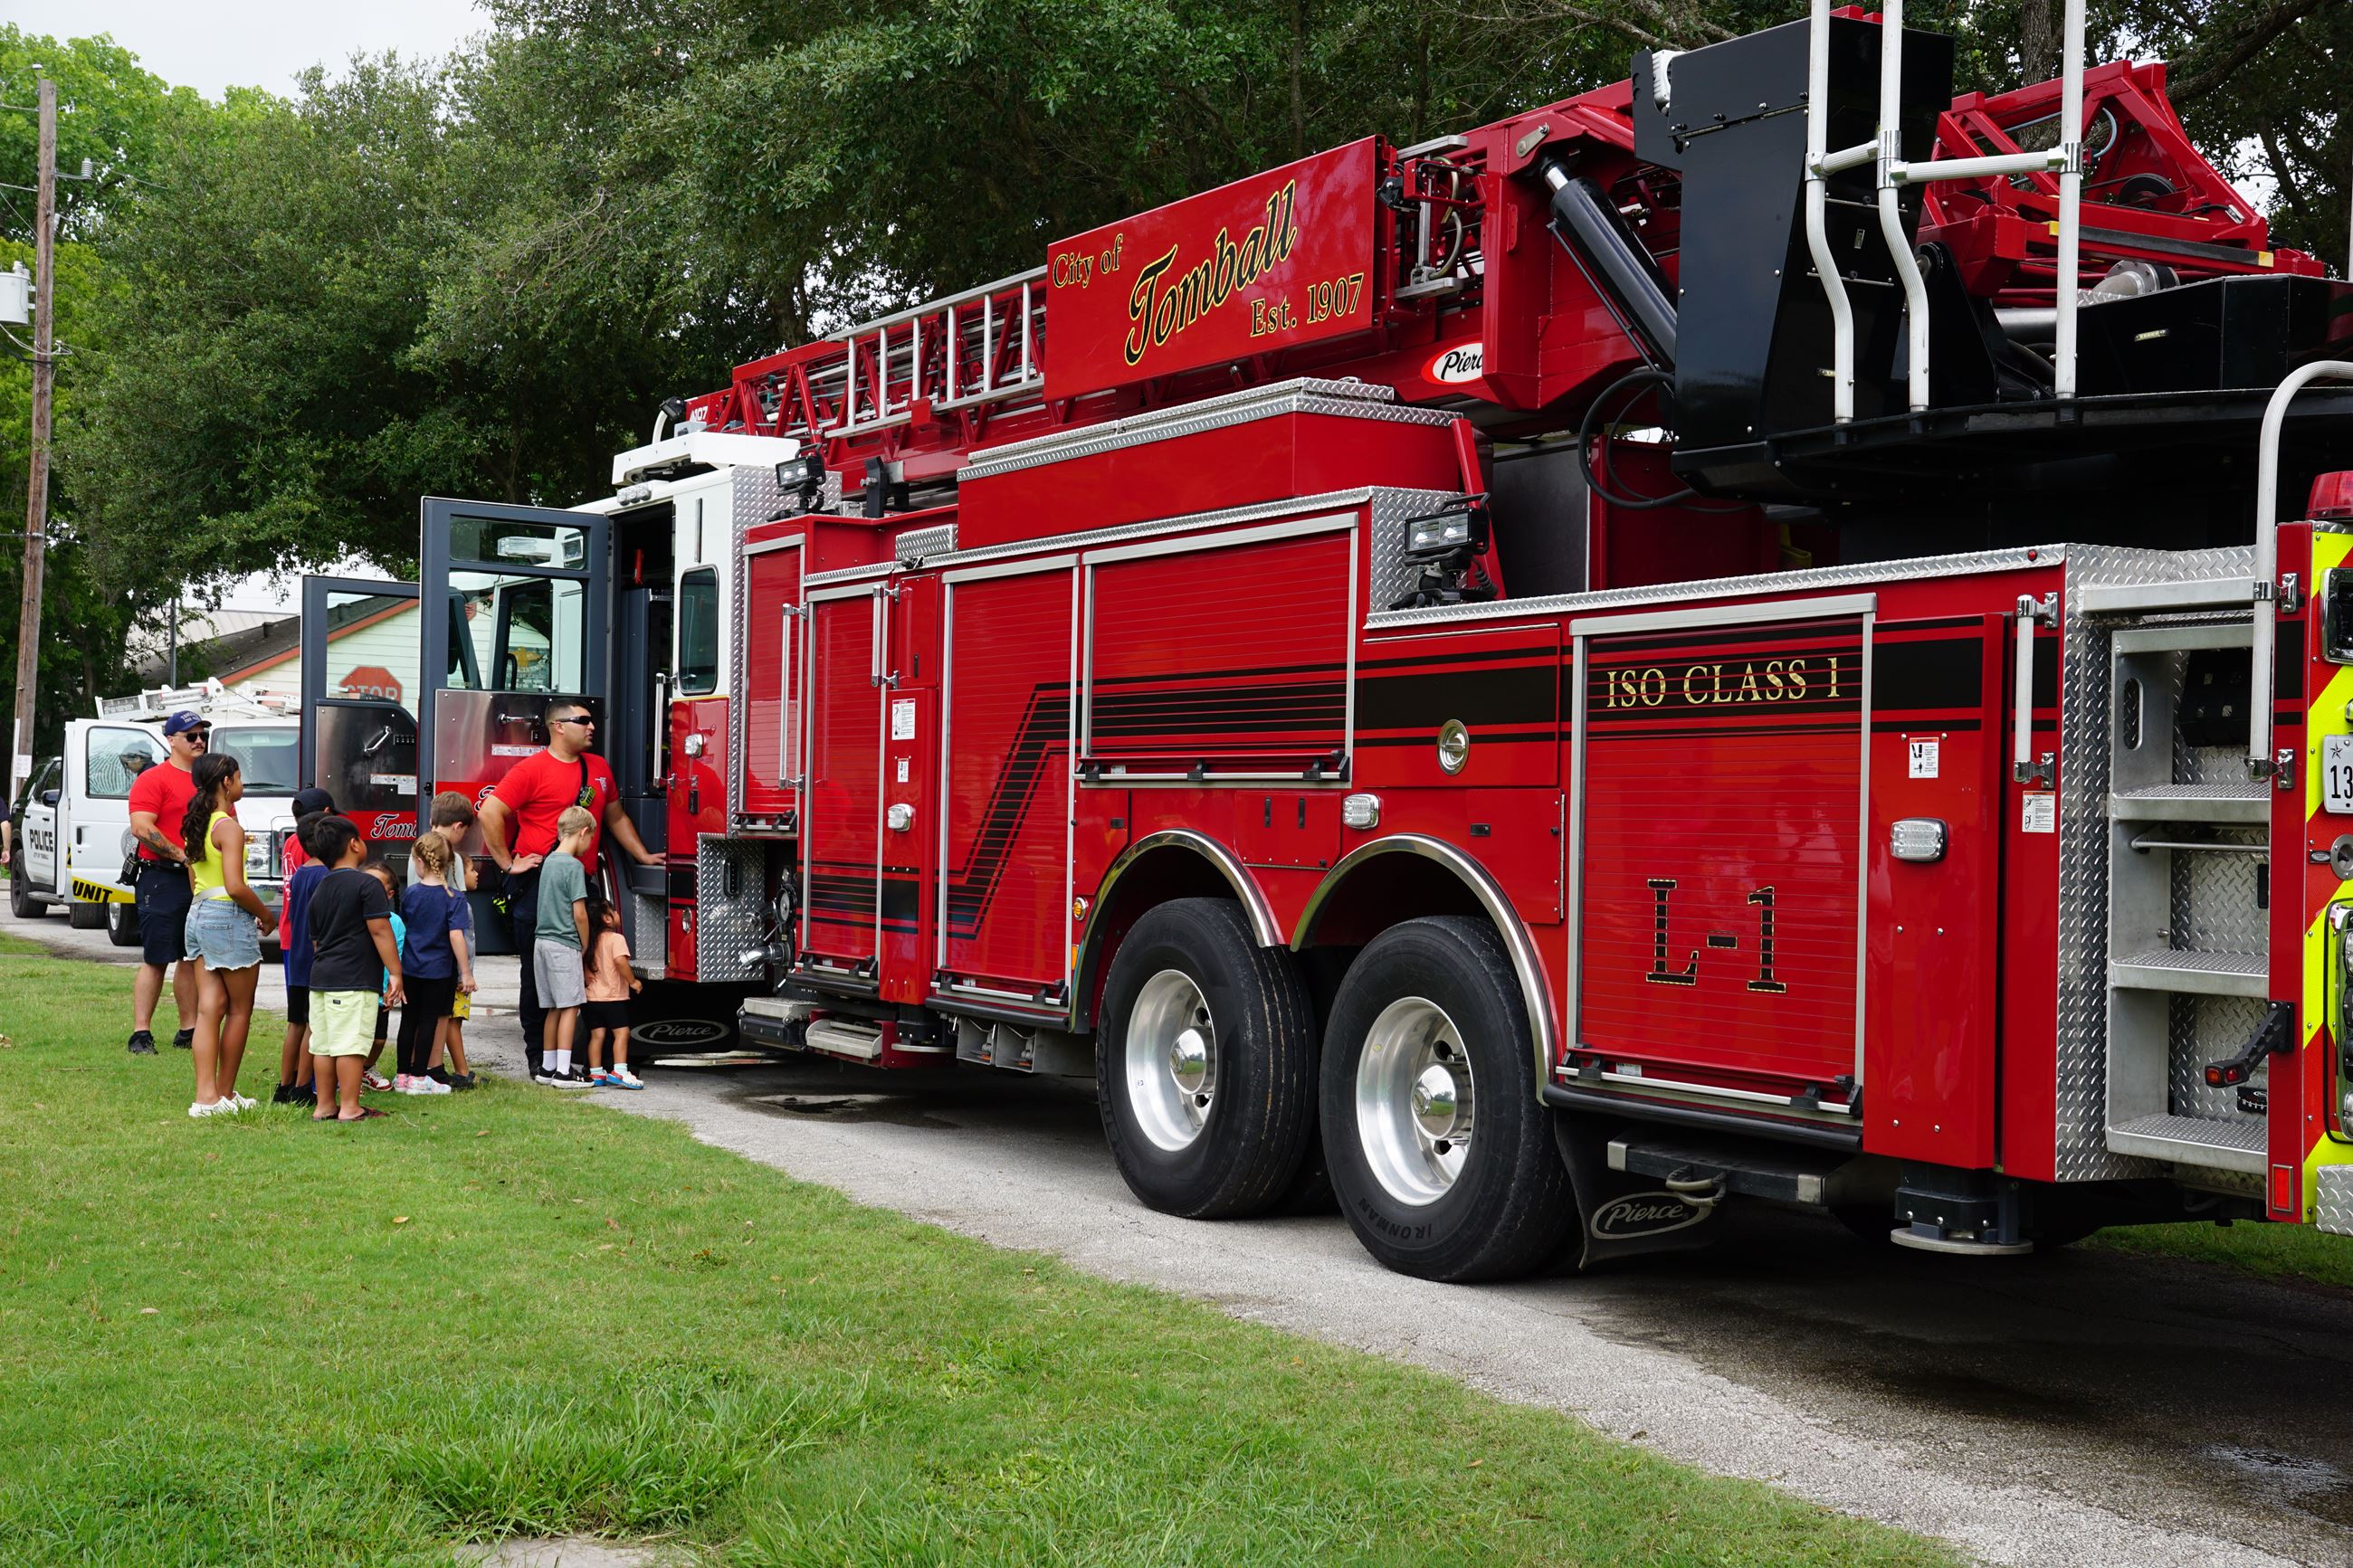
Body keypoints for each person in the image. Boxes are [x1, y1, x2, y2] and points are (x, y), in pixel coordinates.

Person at [478, 701, 658, 1079]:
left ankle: (575, 1057)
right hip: (537, 884)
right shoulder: (531, 769)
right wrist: (508, 864)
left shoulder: (599, 769)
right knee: (537, 975)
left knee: (580, 972)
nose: (592, 726)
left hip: (583, 883)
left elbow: (616, 816)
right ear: (557, 727)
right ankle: (537, 1057)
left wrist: (642, 854)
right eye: (583, 721)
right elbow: (489, 812)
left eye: (591, 720)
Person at [180, 754, 272, 1117]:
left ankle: (205, 1099)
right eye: (239, 776)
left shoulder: (196, 826)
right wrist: (265, 914)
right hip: (227, 915)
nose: (241, 782)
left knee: (208, 1009)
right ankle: (226, 1092)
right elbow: (235, 886)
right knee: (238, 1010)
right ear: (226, 783)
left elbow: (193, 877)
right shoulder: (229, 827)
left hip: (199, 912)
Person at [305, 817, 403, 1123]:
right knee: (350, 1045)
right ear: (354, 844)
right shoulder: (368, 884)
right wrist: (396, 973)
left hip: (321, 980)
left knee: (323, 1044)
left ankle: (324, 1106)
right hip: (354, 979)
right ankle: (350, 1107)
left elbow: (316, 942)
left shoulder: (320, 888)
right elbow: (380, 931)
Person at [124, 711, 209, 1057]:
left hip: (200, 877)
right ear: (171, 739)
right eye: (191, 736)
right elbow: (141, 827)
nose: (199, 741)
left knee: (189, 955)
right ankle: (141, 1033)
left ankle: (188, 1030)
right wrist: (181, 855)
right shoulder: (153, 779)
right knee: (157, 956)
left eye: (203, 734)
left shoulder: (209, 780)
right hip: (161, 875)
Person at [395, 834, 471, 1096]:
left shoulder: (412, 894)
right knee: (428, 1021)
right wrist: (466, 971)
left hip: (410, 968)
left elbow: (405, 928)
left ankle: (402, 1075)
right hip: (437, 970)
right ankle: (419, 1077)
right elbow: (456, 936)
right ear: (449, 862)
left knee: (408, 1021)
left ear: (419, 861)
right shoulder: (454, 898)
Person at [531, 805, 596, 1088]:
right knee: (571, 1006)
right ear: (583, 832)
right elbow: (579, 912)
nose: (588, 844)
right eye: (590, 839)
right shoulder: (573, 866)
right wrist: (585, 944)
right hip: (564, 942)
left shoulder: (549, 861)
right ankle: (563, 1071)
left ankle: (546, 1068)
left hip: (541, 942)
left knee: (553, 1008)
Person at [272, 808, 333, 1105]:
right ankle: (302, 1086)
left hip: (296, 959)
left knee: (295, 1023)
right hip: (313, 961)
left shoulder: (301, 874)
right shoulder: (324, 876)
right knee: (313, 1025)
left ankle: (283, 1085)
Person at [425, 791, 480, 1088]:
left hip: (427, 951)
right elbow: (457, 923)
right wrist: (464, 969)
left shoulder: (419, 850)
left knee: (436, 1015)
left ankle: (435, 1066)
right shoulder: (451, 858)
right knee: (448, 1015)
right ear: (458, 826)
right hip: (449, 956)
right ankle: (459, 1070)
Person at [581, 884, 643, 1089]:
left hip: (591, 999)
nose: (617, 913)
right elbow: (620, 962)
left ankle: (596, 1073)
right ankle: (620, 1071)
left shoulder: (590, 941)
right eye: (613, 911)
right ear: (607, 919)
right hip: (613, 999)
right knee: (621, 1033)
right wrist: (633, 981)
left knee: (597, 1035)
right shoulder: (617, 939)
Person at [359, 860, 404, 1092]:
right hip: (355, 988)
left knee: (378, 1039)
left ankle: (366, 1069)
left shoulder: (394, 922)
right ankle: (348, 1077)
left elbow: (396, 954)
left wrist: (391, 987)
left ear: (389, 894)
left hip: (380, 990)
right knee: (354, 1038)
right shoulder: (351, 915)